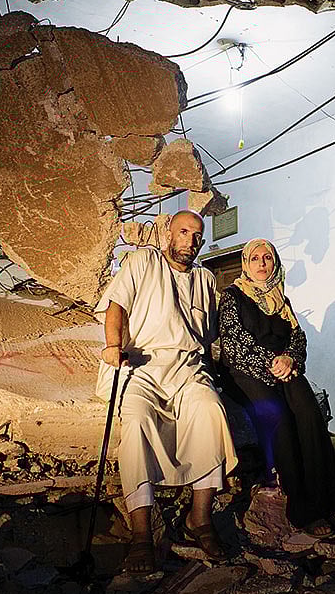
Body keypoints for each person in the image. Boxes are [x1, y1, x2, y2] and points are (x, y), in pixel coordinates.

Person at [97, 210, 238, 574]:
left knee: (210, 410)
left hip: (187, 368)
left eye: (197, 234)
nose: (190, 240)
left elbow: (208, 336)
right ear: (169, 234)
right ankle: (142, 534)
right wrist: (113, 345)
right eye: (184, 231)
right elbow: (117, 306)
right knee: (138, 419)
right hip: (141, 364)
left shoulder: (206, 279)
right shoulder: (142, 261)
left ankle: (200, 518)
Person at [218, 238, 335, 536]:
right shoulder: (233, 296)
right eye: (255, 259)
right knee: (281, 419)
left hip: (284, 368)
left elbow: (298, 338)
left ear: (274, 262)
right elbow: (234, 343)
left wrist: (290, 360)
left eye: (267, 258)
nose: (262, 264)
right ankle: (302, 509)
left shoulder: (281, 299)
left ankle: (325, 499)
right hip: (245, 372)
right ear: (246, 264)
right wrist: (272, 363)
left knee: (309, 414)